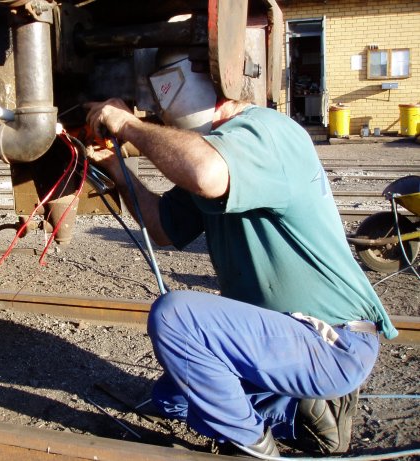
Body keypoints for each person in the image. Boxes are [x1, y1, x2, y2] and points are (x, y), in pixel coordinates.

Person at [83, 55, 398, 457]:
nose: (160, 116)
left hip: (331, 341)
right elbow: (160, 227)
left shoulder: (269, 131)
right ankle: (300, 413)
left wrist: (128, 124)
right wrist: (115, 167)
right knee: (172, 400)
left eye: (164, 107)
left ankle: (252, 447)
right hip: (280, 337)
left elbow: (205, 174)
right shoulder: (225, 152)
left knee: (175, 317)